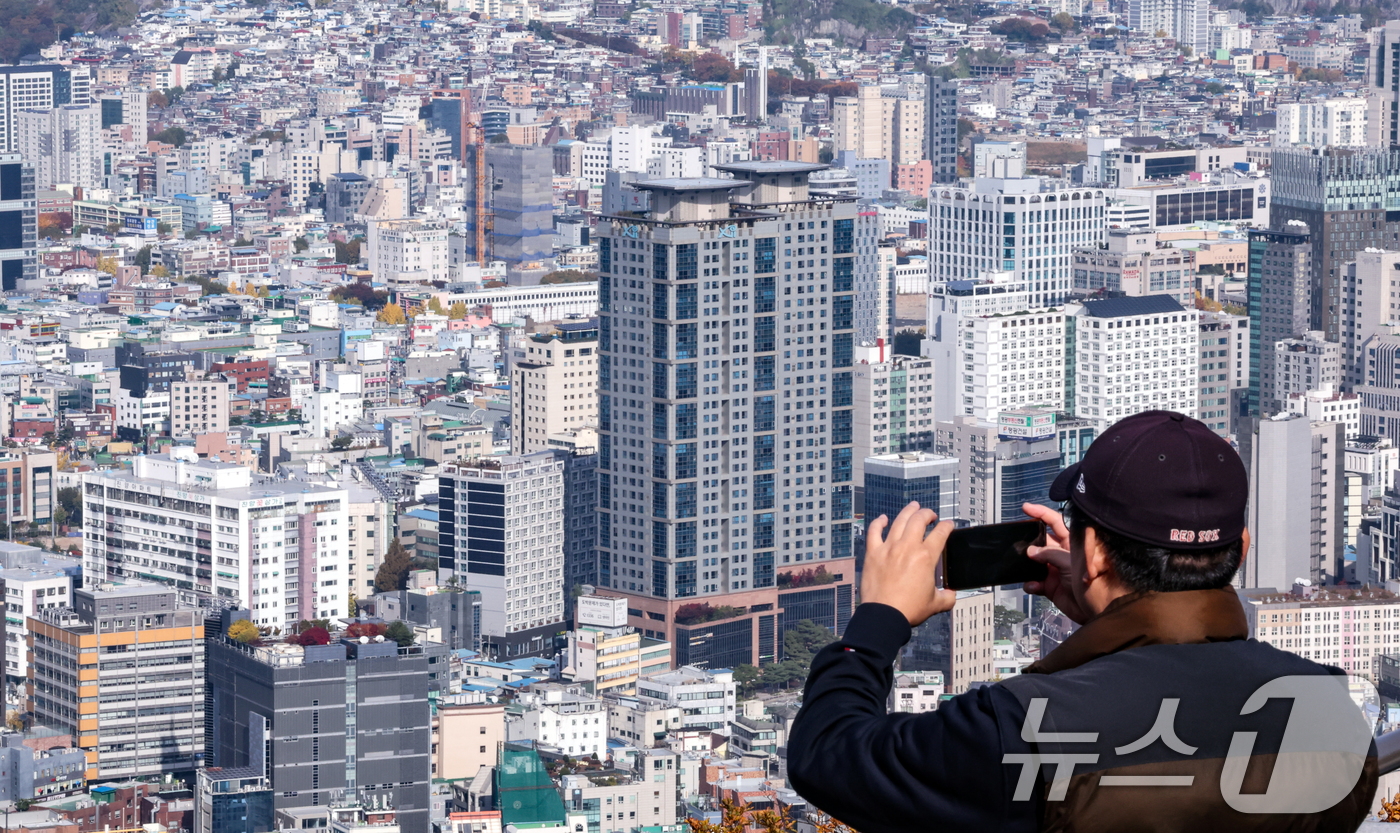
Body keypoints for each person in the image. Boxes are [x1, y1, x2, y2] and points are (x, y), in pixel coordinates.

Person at [787, 411, 1377, 832]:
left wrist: (878, 619)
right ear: (1240, 549)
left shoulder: (1022, 730)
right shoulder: (1331, 713)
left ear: (1092, 552)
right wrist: (1105, 617)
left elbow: (827, 755)